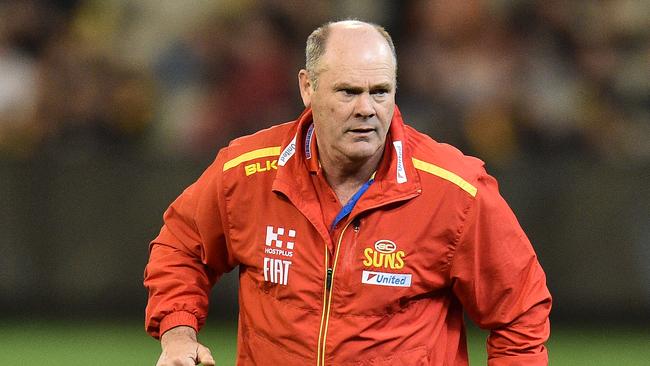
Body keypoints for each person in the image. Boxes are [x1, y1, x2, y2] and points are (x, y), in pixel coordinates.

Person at [144, 20, 552, 366]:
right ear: (308, 88)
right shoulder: (247, 172)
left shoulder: (455, 190)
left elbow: (520, 313)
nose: (367, 109)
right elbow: (181, 247)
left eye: (380, 91)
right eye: (348, 92)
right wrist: (178, 333)